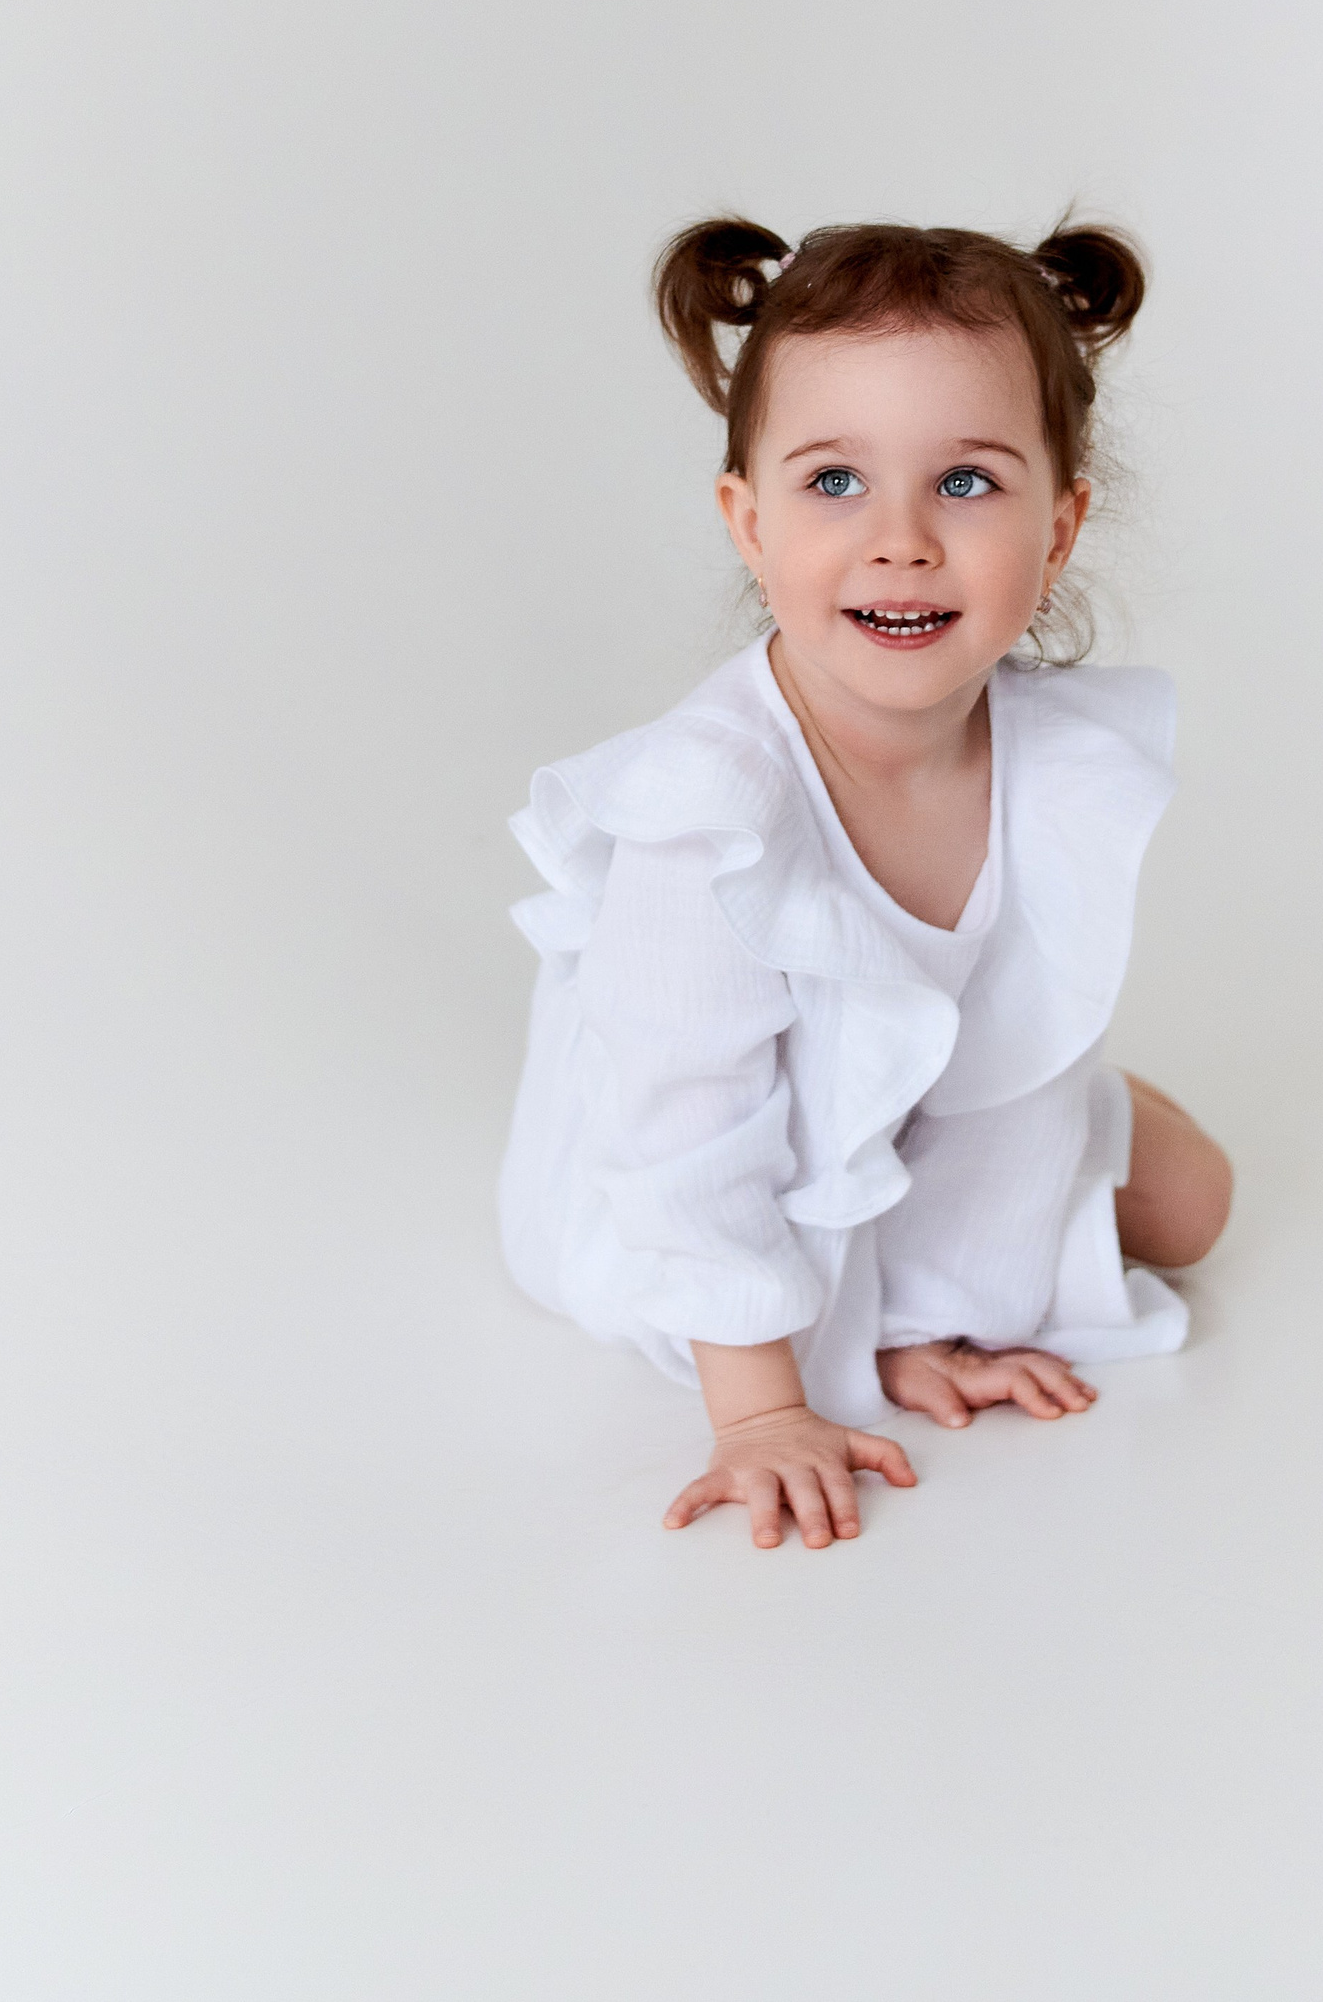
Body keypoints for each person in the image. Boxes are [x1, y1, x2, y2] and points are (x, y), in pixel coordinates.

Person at [499, 217, 1232, 1549]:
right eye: (835, 481)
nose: (901, 540)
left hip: (920, 1115)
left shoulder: (1042, 751)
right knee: (790, 1237)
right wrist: (765, 1410)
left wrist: (954, 1298)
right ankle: (862, 1294)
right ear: (749, 520)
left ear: (1061, 528)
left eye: (967, 482)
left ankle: (937, 1236)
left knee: (1197, 1204)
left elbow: (1008, 981)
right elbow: (685, 1142)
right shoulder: (709, 818)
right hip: (705, 1167)